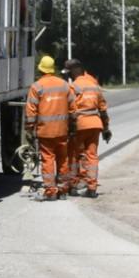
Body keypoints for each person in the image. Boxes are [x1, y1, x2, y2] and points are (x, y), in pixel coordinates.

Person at [25, 55, 76, 200]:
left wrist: (29, 127)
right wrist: (73, 126)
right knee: (63, 159)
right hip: (62, 130)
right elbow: (73, 108)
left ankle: (50, 192)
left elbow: (31, 110)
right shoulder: (64, 85)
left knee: (48, 159)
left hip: (45, 131)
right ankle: (63, 190)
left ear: (41, 69)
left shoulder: (37, 86)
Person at [66, 58, 110, 198]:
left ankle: (72, 186)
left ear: (73, 73)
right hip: (95, 123)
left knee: (73, 155)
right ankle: (92, 188)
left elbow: (71, 109)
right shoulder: (94, 85)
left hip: (80, 124)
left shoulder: (73, 87)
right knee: (92, 156)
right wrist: (106, 128)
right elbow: (103, 109)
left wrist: (69, 127)